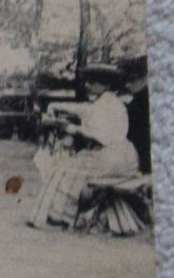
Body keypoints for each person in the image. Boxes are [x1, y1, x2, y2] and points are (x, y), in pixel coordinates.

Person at [30, 64, 146, 233]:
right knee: (69, 166)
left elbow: (103, 136)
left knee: (63, 168)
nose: (88, 85)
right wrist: (56, 105)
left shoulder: (109, 105)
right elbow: (83, 109)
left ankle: (59, 215)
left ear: (105, 85)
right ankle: (63, 214)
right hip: (120, 155)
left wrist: (73, 129)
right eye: (88, 82)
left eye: (93, 83)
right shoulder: (106, 101)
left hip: (114, 157)